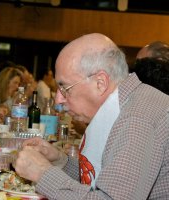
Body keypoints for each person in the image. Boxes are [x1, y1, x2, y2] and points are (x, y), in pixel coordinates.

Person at [15, 33, 169, 199]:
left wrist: (44, 174)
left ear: (100, 83)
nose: (58, 100)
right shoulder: (126, 104)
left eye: (65, 88)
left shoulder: (138, 119)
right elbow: (101, 179)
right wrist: (60, 160)